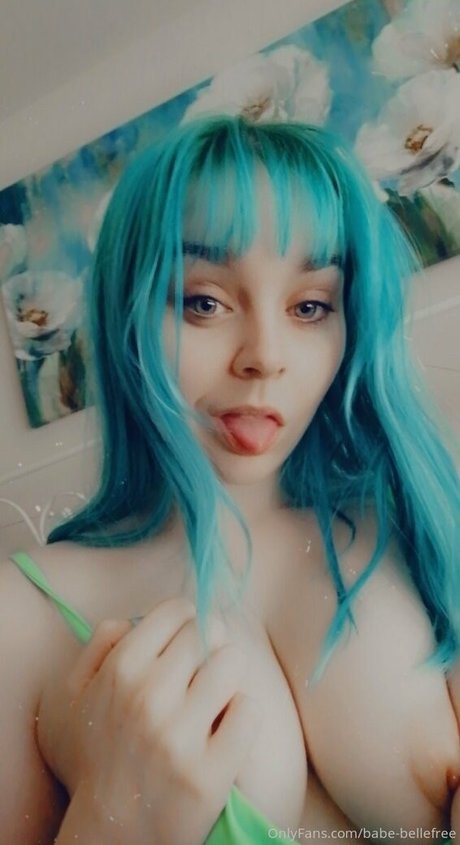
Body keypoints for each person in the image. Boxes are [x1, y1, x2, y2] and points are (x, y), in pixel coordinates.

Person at [1, 115, 459, 845]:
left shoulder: (418, 520)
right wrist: (110, 821)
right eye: (204, 302)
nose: (265, 357)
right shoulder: (22, 615)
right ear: (127, 312)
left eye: (310, 306)